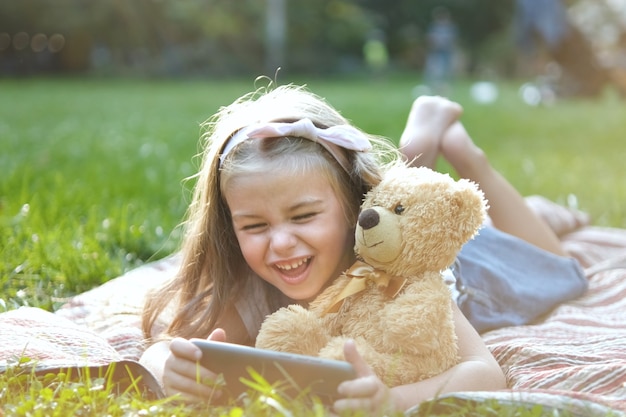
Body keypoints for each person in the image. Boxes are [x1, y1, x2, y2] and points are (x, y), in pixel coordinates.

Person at [138, 84, 586, 414]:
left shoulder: (403, 274)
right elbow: (164, 348)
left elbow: (486, 373)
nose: (280, 243)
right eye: (254, 225)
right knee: (436, 207)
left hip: (472, 274)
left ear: (355, 205)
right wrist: (169, 369)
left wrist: (394, 402)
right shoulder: (249, 289)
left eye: (303, 216)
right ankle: (423, 159)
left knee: (556, 265)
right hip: (404, 221)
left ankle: (467, 158)